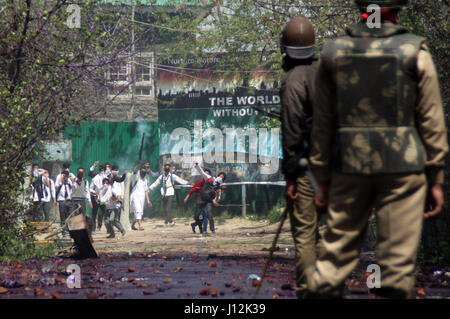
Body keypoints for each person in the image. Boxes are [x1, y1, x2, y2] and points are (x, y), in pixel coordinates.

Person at [308, 0, 448, 299]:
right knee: (396, 269)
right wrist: (436, 176)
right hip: (403, 168)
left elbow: (321, 124)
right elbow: (432, 121)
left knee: (332, 261)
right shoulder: (415, 51)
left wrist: (320, 176)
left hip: (348, 164)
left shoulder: (333, 53)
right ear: (398, 6)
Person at [279, 16, 323, 299]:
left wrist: (292, 178)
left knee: (306, 235)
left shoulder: (293, 81)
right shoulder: (328, 74)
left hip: (309, 171)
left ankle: (310, 293)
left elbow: (293, 136)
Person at [194, 163, 225, 236]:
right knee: (196, 216)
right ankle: (201, 230)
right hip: (201, 199)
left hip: (209, 201)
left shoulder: (219, 187)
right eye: (220, 176)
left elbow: (217, 199)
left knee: (209, 215)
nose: (220, 178)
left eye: (222, 178)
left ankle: (212, 230)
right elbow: (201, 172)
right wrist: (197, 165)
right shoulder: (209, 178)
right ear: (217, 176)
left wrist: (216, 199)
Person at [184, 168, 212, 234]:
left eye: (207, 174)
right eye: (205, 173)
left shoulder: (211, 182)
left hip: (207, 200)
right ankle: (204, 230)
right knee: (204, 215)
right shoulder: (199, 182)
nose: (206, 175)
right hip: (200, 201)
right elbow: (192, 190)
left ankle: (195, 225)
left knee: (206, 216)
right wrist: (187, 197)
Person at [130, 160, 152, 231]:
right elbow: (134, 171)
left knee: (139, 212)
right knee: (138, 210)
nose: (143, 173)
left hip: (142, 198)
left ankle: (132, 225)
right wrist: (137, 164)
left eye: (145, 171)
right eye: (142, 171)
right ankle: (140, 226)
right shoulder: (136, 178)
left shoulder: (145, 180)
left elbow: (146, 190)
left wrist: (148, 200)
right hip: (135, 196)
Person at [71, 168, 93, 236]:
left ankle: (82, 231)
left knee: (82, 215)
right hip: (74, 199)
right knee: (75, 216)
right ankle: (76, 231)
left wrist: (89, 201)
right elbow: (71, 190)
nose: (81, 173)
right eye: (79, 172)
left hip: (82, 199)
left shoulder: (85, 181)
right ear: (77, 172)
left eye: (82, 172)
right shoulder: (73, 180)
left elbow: (87, 191)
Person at [89, 164, 107, 233]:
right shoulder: (95, 178)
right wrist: (95, 192)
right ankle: (93, 229)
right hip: (96, 198)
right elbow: (90, 188)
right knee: (94, 214)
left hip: (103, 199)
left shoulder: (106, 178)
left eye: (102, 169)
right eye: (100, 169)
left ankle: (108, 228)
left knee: (105, 213)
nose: (101, 171)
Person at [55, 171, 74, 236]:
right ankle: (64, 231)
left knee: (70, 216)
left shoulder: (69, 181)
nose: (65, 177)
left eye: (66, 175)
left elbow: (74, 187)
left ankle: (70, 230)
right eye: (64, 175)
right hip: (61, 200)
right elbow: (56, 186)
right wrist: (60, 179)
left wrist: (72, 180)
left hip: (69, 200)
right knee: (63, 216)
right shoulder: (59, 181)